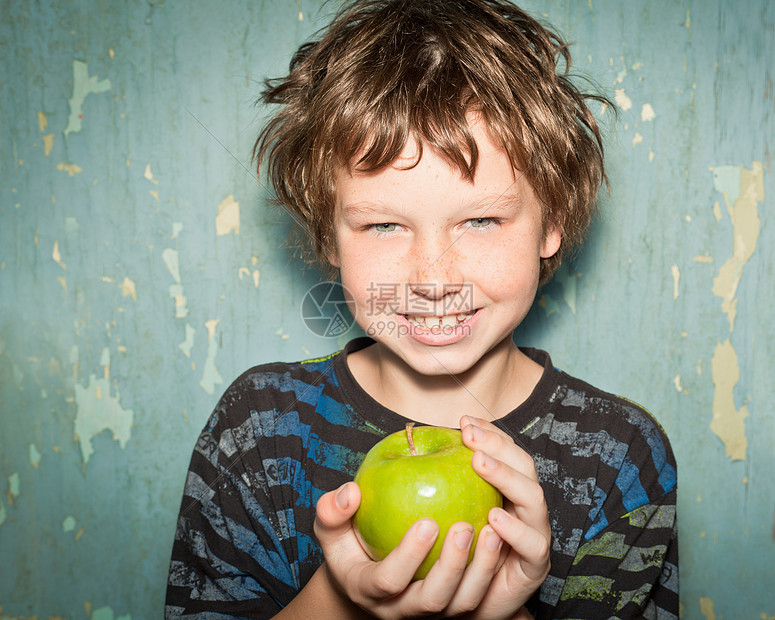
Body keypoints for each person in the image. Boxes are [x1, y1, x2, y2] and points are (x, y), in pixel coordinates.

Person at [165, 0, 678, 618]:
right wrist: (341, 598)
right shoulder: (261, 431)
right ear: (329, 236)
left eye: (482, 220)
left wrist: (506, 608)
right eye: (384, 225)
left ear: (554, 224)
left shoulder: (618, 455)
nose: (434, 279)